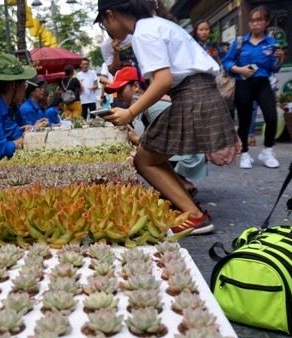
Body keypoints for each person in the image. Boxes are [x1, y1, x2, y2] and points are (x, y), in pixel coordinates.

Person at [96, 0, 239, 234]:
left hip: (192, 96)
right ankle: (190, 209)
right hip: (199, 93)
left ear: (110, 15)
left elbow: (163, 80)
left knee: (143, 160)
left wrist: (130, 112)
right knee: (151, 154)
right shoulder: (157, 24)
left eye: (103, 24)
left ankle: (193, 217)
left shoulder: (143, 33)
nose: (107, 30)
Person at [105, 66, 205, 196]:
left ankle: (182, 188)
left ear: (135, 86)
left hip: (187, 153)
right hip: (181, 148)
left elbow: (164, 143)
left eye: (121, 90)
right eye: (115, 92)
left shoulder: (154, 107)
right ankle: (181, 187)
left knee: (140, 159)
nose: (117, 96)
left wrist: (136, 140)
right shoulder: (146, 104)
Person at [222, 5, 285, 169]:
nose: (255, 24)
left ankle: (268, 151)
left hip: (263, 83)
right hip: (244, 84)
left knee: (271, 117)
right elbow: (227, 62)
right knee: (244, 121)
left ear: (267, 22)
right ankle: (244, 153)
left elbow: (274, 67)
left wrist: (280, 59)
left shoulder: (272, 43)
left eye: (259, 20)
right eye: (252, 21)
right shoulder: (240, 42)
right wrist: (239, 69)